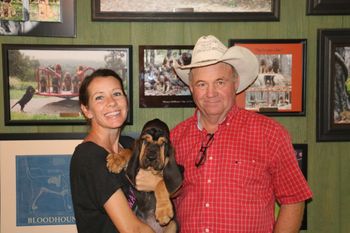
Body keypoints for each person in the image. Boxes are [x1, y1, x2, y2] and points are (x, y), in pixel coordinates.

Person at [170, 35, 313, 232]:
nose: (210, 93)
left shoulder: (270, 134)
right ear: (191, 88)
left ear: (235, 82)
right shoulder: (176, 137)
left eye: (220, 82)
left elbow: (294, 199)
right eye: (202, 84)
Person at [70, 69, 156, 233]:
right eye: (99, 97)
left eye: (116, 94)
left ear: (126, 100)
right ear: (87, 110)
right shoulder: (88, 157)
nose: (111, 102)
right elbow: (133, 229)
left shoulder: (129, 145)